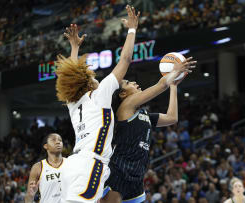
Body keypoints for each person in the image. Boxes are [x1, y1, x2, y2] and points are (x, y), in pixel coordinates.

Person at [55, 5, 140, 203]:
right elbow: (126, 59)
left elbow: (69, 75)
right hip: (90, 164)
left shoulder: (73, 102)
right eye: (92, 75)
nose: (95, 76)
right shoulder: (99, 94)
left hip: (71, 166)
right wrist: (132, 29)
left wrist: (75, 48)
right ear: (88, 82)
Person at [101, 57, 196, 202]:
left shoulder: (144, 115)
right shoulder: (125, 106)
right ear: (123, 94)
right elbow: (161, 85)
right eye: (128, 83)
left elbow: (172, 118)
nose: (134, 82)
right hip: (119, 171)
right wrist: (174, 72)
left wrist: (174, 87)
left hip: (138, 174)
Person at [25, 133, 65, 203]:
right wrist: (30, 195)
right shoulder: (38, 167)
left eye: (60, 140)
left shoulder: (70, 163)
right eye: (53, 140)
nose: (58, 142)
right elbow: (28, 198)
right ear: (46, 146)